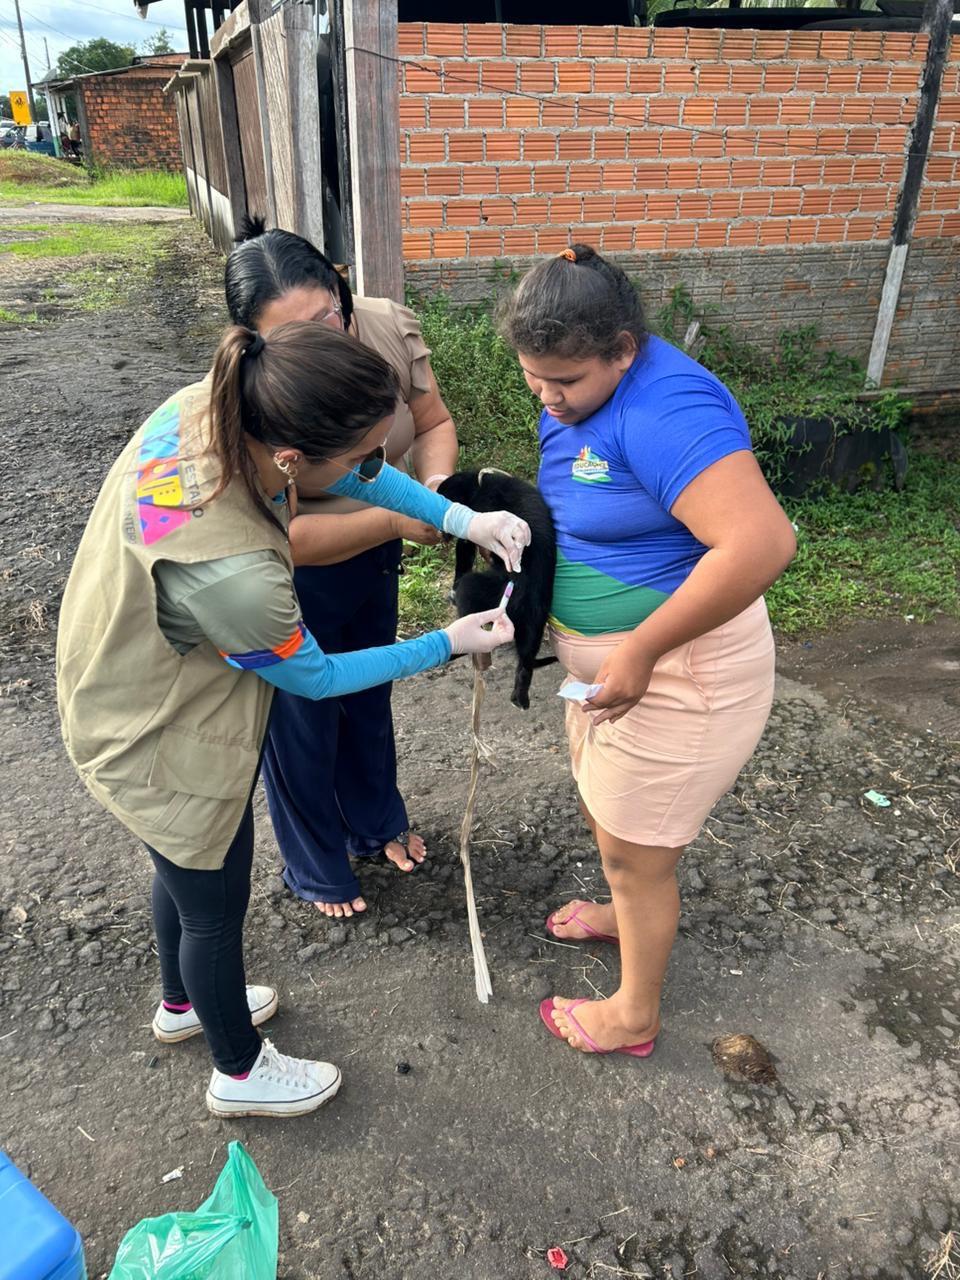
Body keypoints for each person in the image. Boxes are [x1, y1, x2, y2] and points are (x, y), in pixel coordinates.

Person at [56, 321, 528, 1118]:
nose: (373, 470)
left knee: (181, 866)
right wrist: (444, 644)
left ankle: (183, 1005)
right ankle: (237, 1072)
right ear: (289, 461)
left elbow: (355, 472)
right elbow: (313, 677)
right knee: (213, 897)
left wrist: (459, 519)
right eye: (356, 458)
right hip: (152, 728)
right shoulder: (236, 573)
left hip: (122, 669)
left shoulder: (218, 406)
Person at [498, 245, 796, 1059]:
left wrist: (641, 649)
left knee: (637, 853)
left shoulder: (667, 410)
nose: (549, 399)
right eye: (535, 380)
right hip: (623, 674)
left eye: (566, 381)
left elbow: (763, 543)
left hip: (679, 671)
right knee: (613, 822)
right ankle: (621, 906)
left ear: (624, 349)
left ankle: (634, 1015)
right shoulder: (589, 396)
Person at [225, 219, 460, 919]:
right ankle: (314, 865)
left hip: (374, 549)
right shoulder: (248, 397)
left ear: (341, 286)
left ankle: (374, 821)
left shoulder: (386, 326)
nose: (322, 342)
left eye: (327, 317)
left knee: (370, 688)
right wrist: (395, 517)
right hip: (299, 565)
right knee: (303, 712)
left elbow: (434, 420)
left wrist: (437, 496)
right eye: (295, 336)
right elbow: (284, 536)